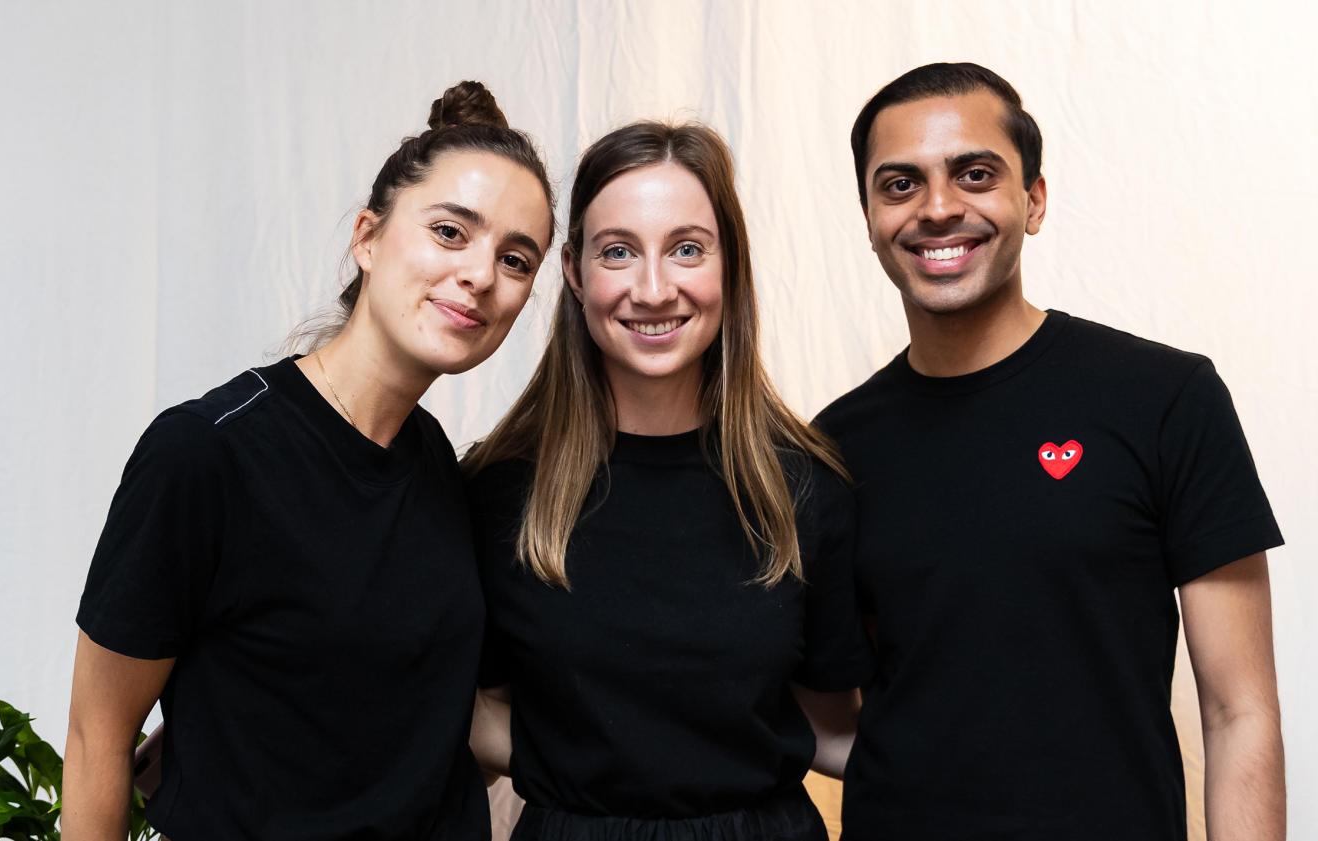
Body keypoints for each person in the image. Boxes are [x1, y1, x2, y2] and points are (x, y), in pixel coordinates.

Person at [63, 81, 555, 840]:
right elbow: (99, 740)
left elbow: (446, 716)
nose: (481, 274)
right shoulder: (208, 454)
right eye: (451, 233)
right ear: (367, 236)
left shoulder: (443, 472)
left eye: (516, 258)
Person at [815, 62, 1286, 841]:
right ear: (868, 218)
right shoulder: (830, 447)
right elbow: (827, 714)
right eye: (899, 184)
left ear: (1033, 200)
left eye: (974, 174)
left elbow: (1240, 713)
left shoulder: (1166, 397)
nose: (937, 208)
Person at [464, 121, 873, 841]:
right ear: (573, 270)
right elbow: (471, 706)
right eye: (618, 251)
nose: (653, 289)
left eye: (686, 249)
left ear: (728, 266)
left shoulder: (805, 488)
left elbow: (828, 724)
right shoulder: (499, 490)